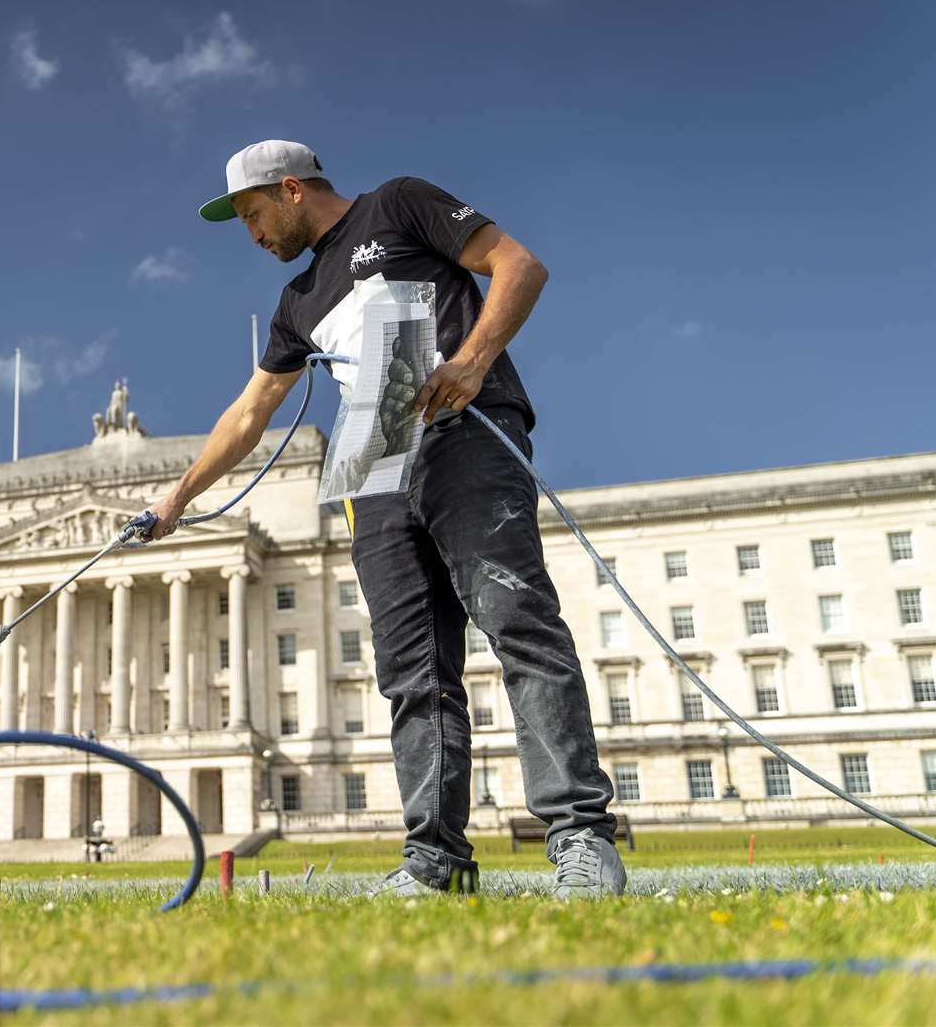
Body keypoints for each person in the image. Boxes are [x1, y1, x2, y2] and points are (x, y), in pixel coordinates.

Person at [144, 140, 625, 899]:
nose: (252, 234)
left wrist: (470, 362)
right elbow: (248, 414)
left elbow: (518, 265)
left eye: (252, 213)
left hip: (465, 431)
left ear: (292, 189)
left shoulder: (397, 204)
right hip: (370, 471)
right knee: (410, 673)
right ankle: (435, 859)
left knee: (518, 623)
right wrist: (177, 499)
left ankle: (579, 838)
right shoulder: (297, 303)